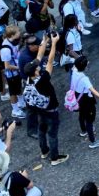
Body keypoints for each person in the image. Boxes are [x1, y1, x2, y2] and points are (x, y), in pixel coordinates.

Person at [22, 32, 69, 166]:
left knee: (41, 130)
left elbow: (39, 56)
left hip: (40, 110)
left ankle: (44, 151)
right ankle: (54, 158)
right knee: (52, 134)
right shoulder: (42, 80)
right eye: (37, 66)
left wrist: (45, 40)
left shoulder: (29, 80)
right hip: (51, 110)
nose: (38, 65)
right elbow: (50, 60)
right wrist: (53, 43)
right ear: (35, 71)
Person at [70, 56, 99, 150]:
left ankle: (83, 131)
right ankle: (93, 141)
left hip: (78, 96)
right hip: (87, 100)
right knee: (89, 119)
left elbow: (76, 62)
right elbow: (93, 91)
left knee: (81, 114)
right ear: (84, 66)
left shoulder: (74, 70)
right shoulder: (84, 79)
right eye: (87, 62)